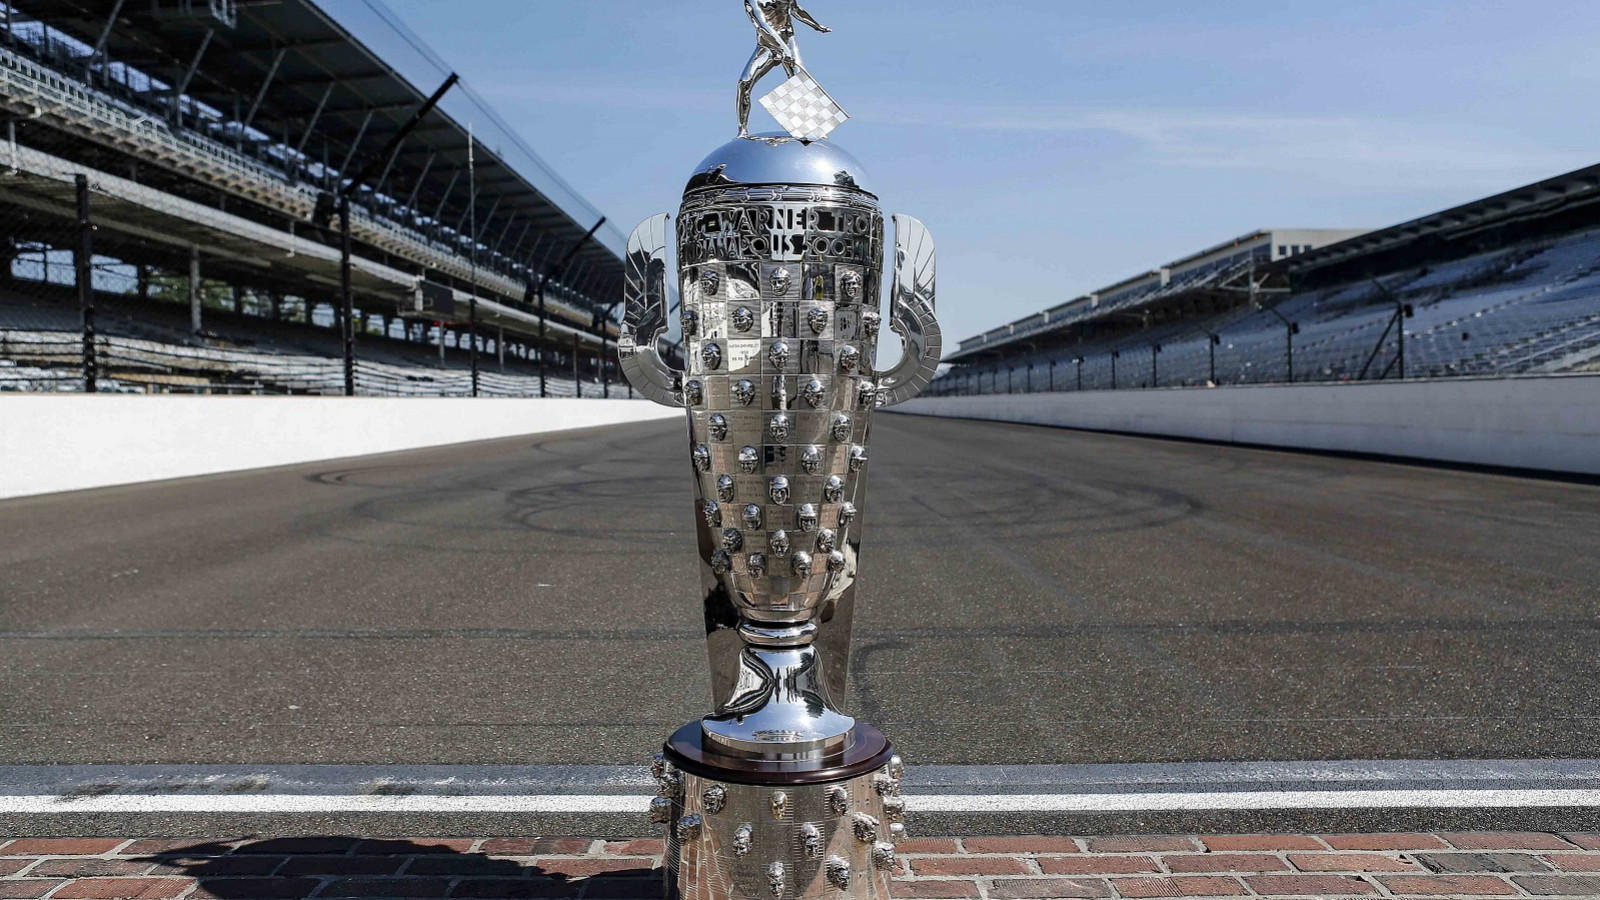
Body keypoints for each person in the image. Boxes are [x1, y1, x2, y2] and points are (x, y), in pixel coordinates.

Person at [736, 0, 831, 138]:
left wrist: (816, 25)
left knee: (800, 82)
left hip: (788, 40)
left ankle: (815, 128)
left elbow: (795, 9)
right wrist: (783, 50)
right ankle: (742, 130)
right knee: (744, 83)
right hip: (767, 44)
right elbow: (762, 26)